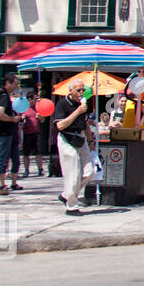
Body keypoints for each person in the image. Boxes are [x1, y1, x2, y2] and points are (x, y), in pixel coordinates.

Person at [53, 78, 97, 215]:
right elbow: (60, 125)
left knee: (90, 171)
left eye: (83, 90)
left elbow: (86, 125)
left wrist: (91, 142)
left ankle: (67, 194)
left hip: (80, 137)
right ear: (71, 90)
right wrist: (77, 111)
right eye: (78, 90)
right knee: (73, 174)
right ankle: (71, 206)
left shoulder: (84, 105)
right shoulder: (62, 104)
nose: (81, 93)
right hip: (67, 138)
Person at [20, 93, 44, 179]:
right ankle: (26, 170)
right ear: (29, 99)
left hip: (36, 132)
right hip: (27, 133)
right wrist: (22, 118)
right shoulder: (23, 108)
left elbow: (43, 120)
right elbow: (19, 120)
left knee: (38, 152)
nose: (36, 101)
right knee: (26, 153)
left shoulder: (38, 108)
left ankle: (40, 169)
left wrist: (40, 117)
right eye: (35, 99)